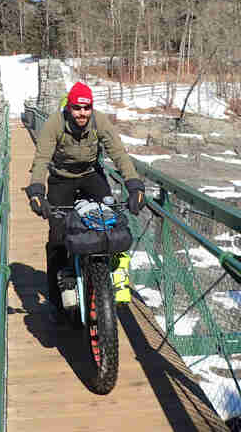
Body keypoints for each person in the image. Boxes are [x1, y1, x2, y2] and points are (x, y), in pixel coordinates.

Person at [25, 81, 146, 321]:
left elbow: (118, 153)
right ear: (69, 107)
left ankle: (114, 275)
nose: (82, 113)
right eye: (77, 108)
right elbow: (41, 159)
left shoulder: (99, 121)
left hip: (91, 175)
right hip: (61, 178)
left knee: (111, 220)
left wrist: (134, 184)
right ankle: (57, 299)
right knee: (58, 236)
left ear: (91, 108)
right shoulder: (54, 124)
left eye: (86, 108)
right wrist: (37, 190)